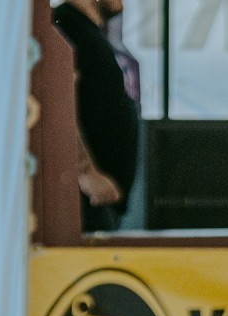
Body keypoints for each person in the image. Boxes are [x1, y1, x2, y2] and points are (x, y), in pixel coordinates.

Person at [52, 0, 139, 232]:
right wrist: (84, 171)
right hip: (84, 200)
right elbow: (56, 102)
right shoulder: (65, 26)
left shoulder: (89, 32)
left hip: (100, 200)